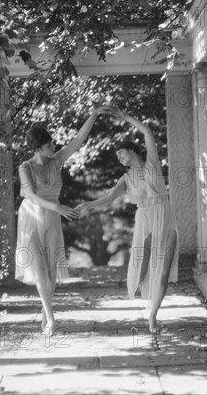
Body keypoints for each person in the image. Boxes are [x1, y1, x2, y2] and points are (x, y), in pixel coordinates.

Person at [76, 109, 179, 333]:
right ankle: (143, 292)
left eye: (122, 153)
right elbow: (110, 197)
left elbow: (147, 131)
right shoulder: (126, 178)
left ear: (132, 151)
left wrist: (126, 119)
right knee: (146, 263)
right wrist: (89, 206)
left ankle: (153, 315)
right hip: (145, 217)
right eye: (118, 157)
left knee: (163, 269)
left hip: (164, 213)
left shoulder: (152, 163)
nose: (120, 158)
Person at [15, 107, 110, 336]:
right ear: (37, 147)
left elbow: (79, 139)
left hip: (51, 218)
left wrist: (95, 113)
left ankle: (45, 308)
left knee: (50, 270)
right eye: (48, 145)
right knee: (39, 269)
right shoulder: (25, 167)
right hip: (31, 216)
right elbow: (30, 195)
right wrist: (57, 206)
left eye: (52, 144)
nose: (53, 147)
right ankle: (51, 319)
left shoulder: (56, 161)